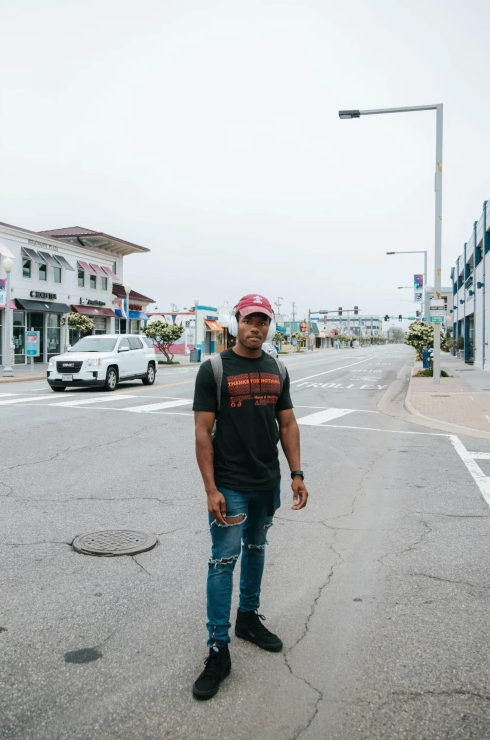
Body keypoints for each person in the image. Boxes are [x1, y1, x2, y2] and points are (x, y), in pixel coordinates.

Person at [192, 293, 308, 700]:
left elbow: (288, 423)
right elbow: (203, 434)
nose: (255, 328)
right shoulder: (215, 369)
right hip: (229, 484)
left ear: (269, 326)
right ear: (235, 322)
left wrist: (296, 473)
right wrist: (211, 489)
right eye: (248, 320)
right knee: (223, 561)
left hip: (267, 482)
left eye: (263, 321)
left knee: (257, 548)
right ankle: (218, 648)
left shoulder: (278, 368)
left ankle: (247, 618)